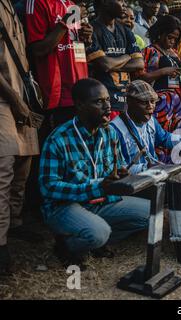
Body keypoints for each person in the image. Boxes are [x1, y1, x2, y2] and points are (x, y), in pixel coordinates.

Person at [39, 78, 149, 269]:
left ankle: (95, 236)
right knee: (98, 233)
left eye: (107, 100)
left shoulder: (109, 133)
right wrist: (97, 187)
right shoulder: (58, 139)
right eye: (99, 102)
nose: (107, 106)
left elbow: (115, 168)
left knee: (150, 213)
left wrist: (121, 174)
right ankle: (67, 246)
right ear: (80, 105)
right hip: (65, 206)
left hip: (101, 201)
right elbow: (48, 187)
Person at [0, 0, 40, 275]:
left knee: (22, 167)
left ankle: (13, 226)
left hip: (21, 97)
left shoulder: (16, 7)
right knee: (2, 171)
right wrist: (14, 98)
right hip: (5, 99)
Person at [25, 0, 93, 128]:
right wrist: (68, 19)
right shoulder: (37, 2)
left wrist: (86, 39)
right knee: (60, 144)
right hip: (57, 97)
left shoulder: (70, 3)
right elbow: (38, 49)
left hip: (80, 93)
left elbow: (75, 48)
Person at [138, 15, 181, 162]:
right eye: (170, 37)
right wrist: (163, 72)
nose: (172, 41)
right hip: (159, 105)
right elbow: (139, 78)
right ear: (160, 33)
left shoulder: (174, 54)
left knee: (178, 141)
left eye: (175, 39)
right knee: (160, 141)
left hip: (178, 106)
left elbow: (180, 79)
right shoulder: (148, 51)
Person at [111, 80, 181, 173]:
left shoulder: (151, 120)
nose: (150, 106)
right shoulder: (114, 130)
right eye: (144, 102)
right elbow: (117, 169)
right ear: (129, 101)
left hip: (151, 177)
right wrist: (145, 167)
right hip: (132, 183)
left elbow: (164, 137)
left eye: (152, 101)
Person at [87, 0, 144, 116]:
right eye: (120, 0)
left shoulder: (125, 31)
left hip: (126, 102)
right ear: (105, 3)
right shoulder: (91, 30)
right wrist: (127, 56)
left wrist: (112, 64)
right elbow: (105, 64)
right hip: (104, 104)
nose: (124, 4)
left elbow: (139, 63)